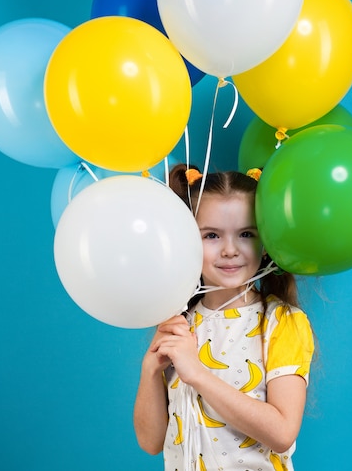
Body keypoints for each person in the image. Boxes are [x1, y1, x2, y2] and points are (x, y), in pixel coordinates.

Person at [133, 164, 314, 471]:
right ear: (188, 240)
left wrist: (197, 373)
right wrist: (150, 370)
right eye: (212, 235)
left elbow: (282, 433)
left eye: (246, 233)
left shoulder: (281, 322)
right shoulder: (178, 321)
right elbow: (151, 442)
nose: (230, 250)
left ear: (265, 242)